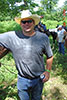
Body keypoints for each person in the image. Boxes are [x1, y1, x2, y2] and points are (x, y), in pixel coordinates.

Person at [0, 10, 53, 100]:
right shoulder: (11, 36)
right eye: (24, 22)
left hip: (38, 79)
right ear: (20, 24)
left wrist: (48, 71)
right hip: (22, 79)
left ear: (34, 23)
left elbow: (50, 56)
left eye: (29, 21)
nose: (26, 24)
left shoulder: (43, 38)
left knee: (36, 98)